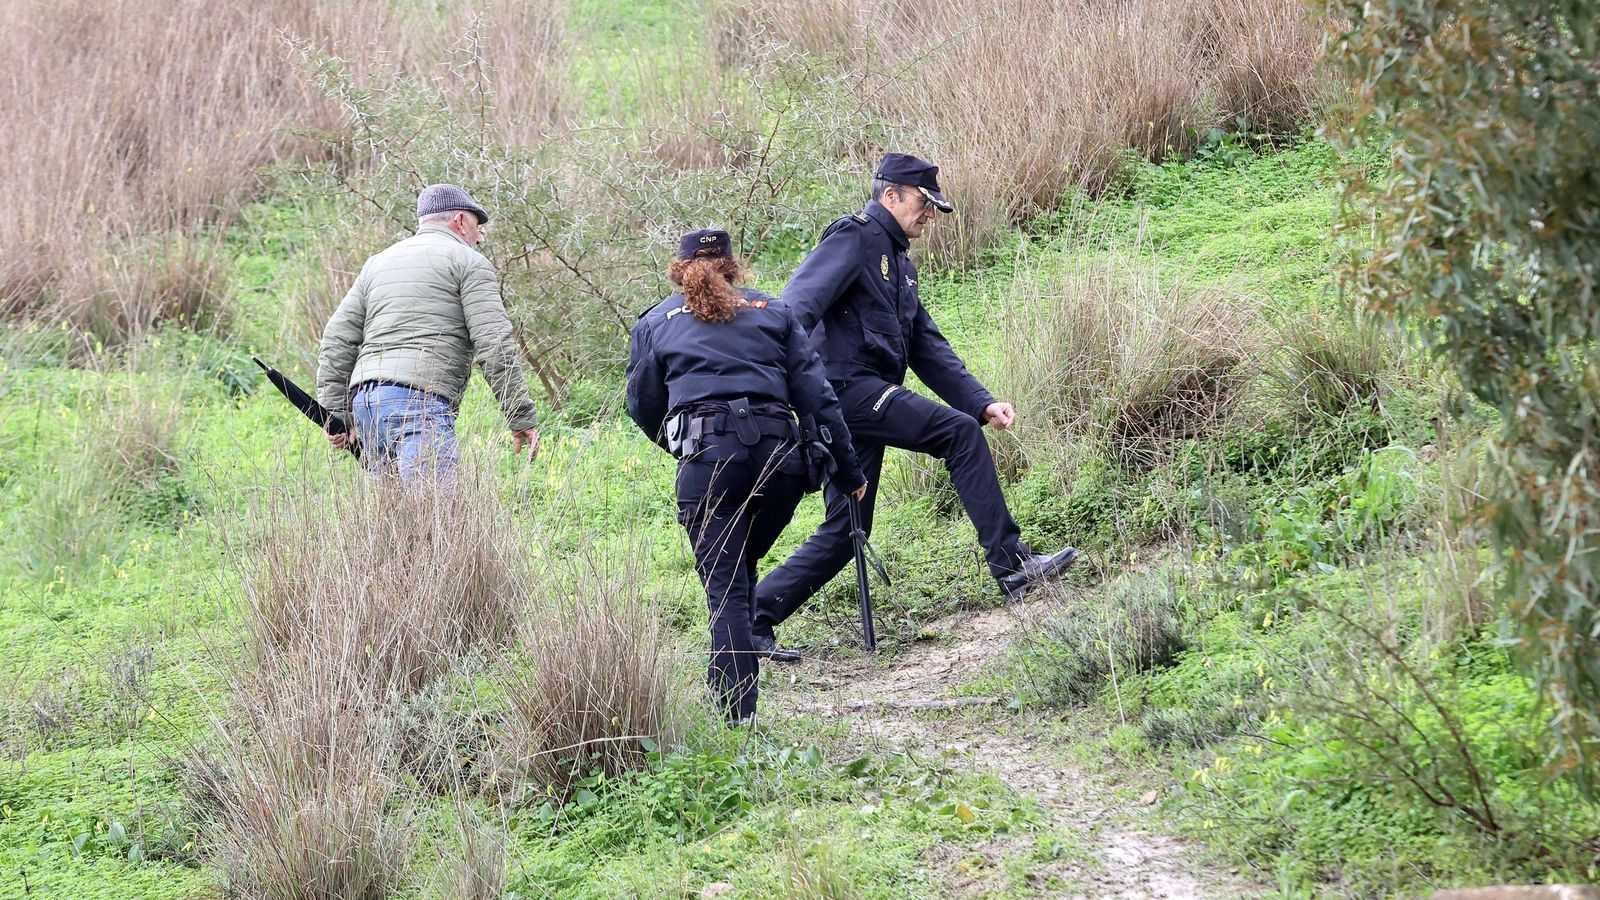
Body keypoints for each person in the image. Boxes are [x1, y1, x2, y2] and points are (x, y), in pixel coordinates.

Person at [753, 153, 1080, 657]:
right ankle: (1012, 565)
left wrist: (982, 402)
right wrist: (799, 389)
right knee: (957, 434)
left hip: (859, 402)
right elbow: (794, 309)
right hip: (844, 391)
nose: (930, 213)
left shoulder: (900, 263)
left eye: (934, 206)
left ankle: (752, 619)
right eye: (925, 202)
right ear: (891, 195)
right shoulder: (854, 237)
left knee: (848, 531)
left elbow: (926, 345)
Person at [627, 228, 867, 723]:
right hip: (781, 462)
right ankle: (731, 694)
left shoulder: (655, 322)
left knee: (727, 586)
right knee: (739, 571)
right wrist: (848, 471)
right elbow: (817, 397)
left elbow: (643, 405)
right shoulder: (773, 311)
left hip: (709, 460)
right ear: (733, 266)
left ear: (679, 269)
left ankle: (736, 716)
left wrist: (684, 444)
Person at [316, 184, 540, 484]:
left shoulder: (377, 263)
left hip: (367, 405)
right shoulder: (469, 262)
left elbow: (336, 339)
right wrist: (520, 415)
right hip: (418, 405)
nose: (479, 238)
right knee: (436, 508)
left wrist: (337, 416)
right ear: (460, 221)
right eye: (478, 228)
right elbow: (494, 344)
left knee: (393, 511)